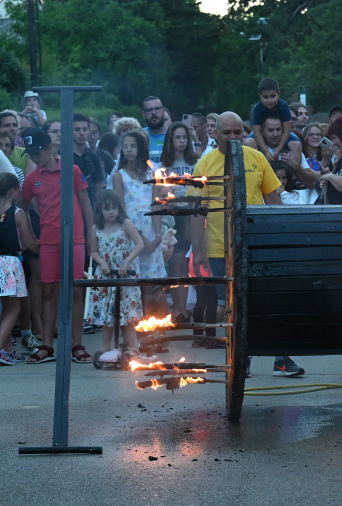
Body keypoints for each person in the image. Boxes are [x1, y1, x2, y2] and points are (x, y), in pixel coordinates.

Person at [187, 112, 303, 377]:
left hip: (257, 244)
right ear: (215, 134)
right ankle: (242, 359)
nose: (233, 137)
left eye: (238, 132)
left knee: (267, 301)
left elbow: (273, 201)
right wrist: (199, 252)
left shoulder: (257, 158)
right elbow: (196, 211)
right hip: (219, 249)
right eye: (227, 133)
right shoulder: (205, 165)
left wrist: (283, 240)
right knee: (232, 306)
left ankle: (281, 359)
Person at [19, 127, 94, 364]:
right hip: (48, 241)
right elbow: (21, 207)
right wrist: (28, 236)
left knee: (75, 290)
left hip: (75, 239)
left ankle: (77, 345)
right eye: (30, 153)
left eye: (37, 152)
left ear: (50, 148)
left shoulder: (72, 170)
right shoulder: (32, 178)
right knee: (49, 290)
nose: (34, 157)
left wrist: (93, 237)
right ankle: (46, 345)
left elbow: (87, 205)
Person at [0, 172, 39, 364]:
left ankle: (7, 349)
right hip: (10, 263)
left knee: (6, 306)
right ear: (12, 190)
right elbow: (28, 242)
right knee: (14, 308)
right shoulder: (18, 213)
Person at [112, 131, 166, 316]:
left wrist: (158, 236)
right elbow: (121, 210)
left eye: (133, 146)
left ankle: (155, 333)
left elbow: (156, 205)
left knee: (153, 286)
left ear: (141, 148)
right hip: (131, 235)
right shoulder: (119, 176)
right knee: (134, 285)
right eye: (125, 146)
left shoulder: (152, 174)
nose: (128, 150)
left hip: (152, 234)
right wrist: (140, 236)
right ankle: (135, 334)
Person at [87, 190, 145, 358]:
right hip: (107, 276)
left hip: (125, 275)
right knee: (108, 315)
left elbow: (139, 244)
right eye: (106, 209)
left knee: (128, 314)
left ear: (119, 208)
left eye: (114, 208)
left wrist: (127, 261)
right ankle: (106, 350)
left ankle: (132, 347)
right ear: (100, 211)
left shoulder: (126, 224)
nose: (111, 212)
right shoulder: (96, 228)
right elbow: (94, 251)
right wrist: (102, 263)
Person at [158, 122, 199, 324]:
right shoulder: (162, 166)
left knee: (190, 262)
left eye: (185, 137)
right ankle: (178, 310)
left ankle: (191, 309)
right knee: (175, 262)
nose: (182, 141)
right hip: (173, 216)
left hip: (192, 215)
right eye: (177, 137)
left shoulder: (196, 162)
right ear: (170, 140)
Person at [250, 78, 293, 161]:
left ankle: (296, 172)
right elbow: (257, 132)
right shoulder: (258, 108)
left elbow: (286, 131)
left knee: (296, 144)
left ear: (278, 94)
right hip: (262, 132)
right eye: (265, 97)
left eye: (272, 96)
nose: (269, 100)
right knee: (248, 144)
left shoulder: (283, 106)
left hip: (282, 132)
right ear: (260, 96)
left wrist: (278, 150)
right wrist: (266, 151)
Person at [72, 113, 105, 205]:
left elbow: (99, 189)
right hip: (71, 209)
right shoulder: (63, 157)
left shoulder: (93, 157)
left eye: (85, 129)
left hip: (92, 206)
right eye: (77, 129)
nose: (81, 133)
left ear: (89, 131)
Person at [141, 96, 168, 165]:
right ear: (144, 114)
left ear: (163, 112)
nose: (153, 113)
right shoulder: (139, 136)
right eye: (149, 110)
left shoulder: (173, 135)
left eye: (157, 109)